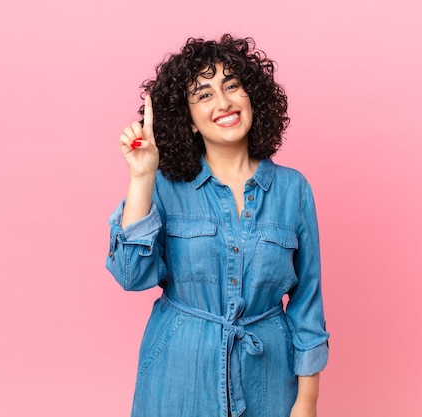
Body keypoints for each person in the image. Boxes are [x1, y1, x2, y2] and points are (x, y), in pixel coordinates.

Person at [106, 34, 329, 417]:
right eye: (204, 95)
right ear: (187, 120)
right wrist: (142, 177)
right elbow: (130, 275)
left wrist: (307, 402)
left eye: (232, 86)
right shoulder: (163, 187)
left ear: (252, 97)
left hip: (269, 380)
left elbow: (308, 303)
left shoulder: (294, 190)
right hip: (179, 374)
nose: (223, 102)